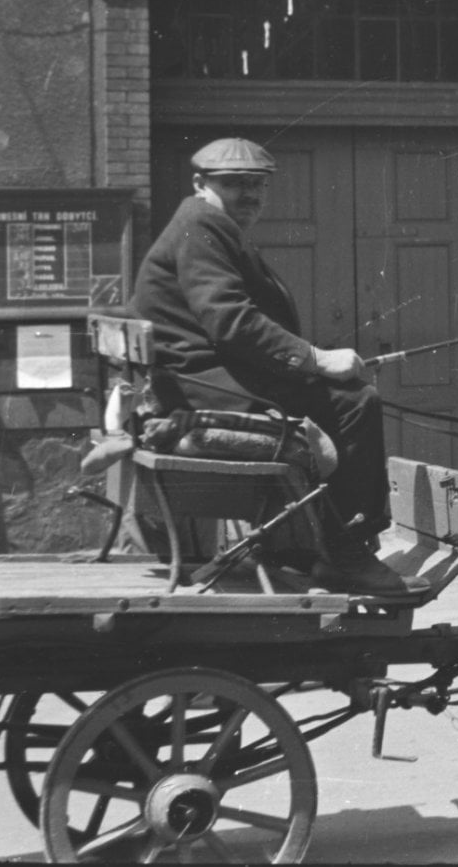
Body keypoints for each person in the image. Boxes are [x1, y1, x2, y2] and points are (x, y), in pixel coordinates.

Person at [130, 136, 427, 597]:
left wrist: (306, 362)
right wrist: (314, 359)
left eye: (257, 185)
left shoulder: (208, 223)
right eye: (234, 184)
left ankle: (301, 548)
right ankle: (345, 551)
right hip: (199, 385)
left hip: (198, 377)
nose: (249, 195)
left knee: (338, 396)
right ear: (200, 183)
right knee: (355, 403)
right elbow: (229, 319)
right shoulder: (201, 225)